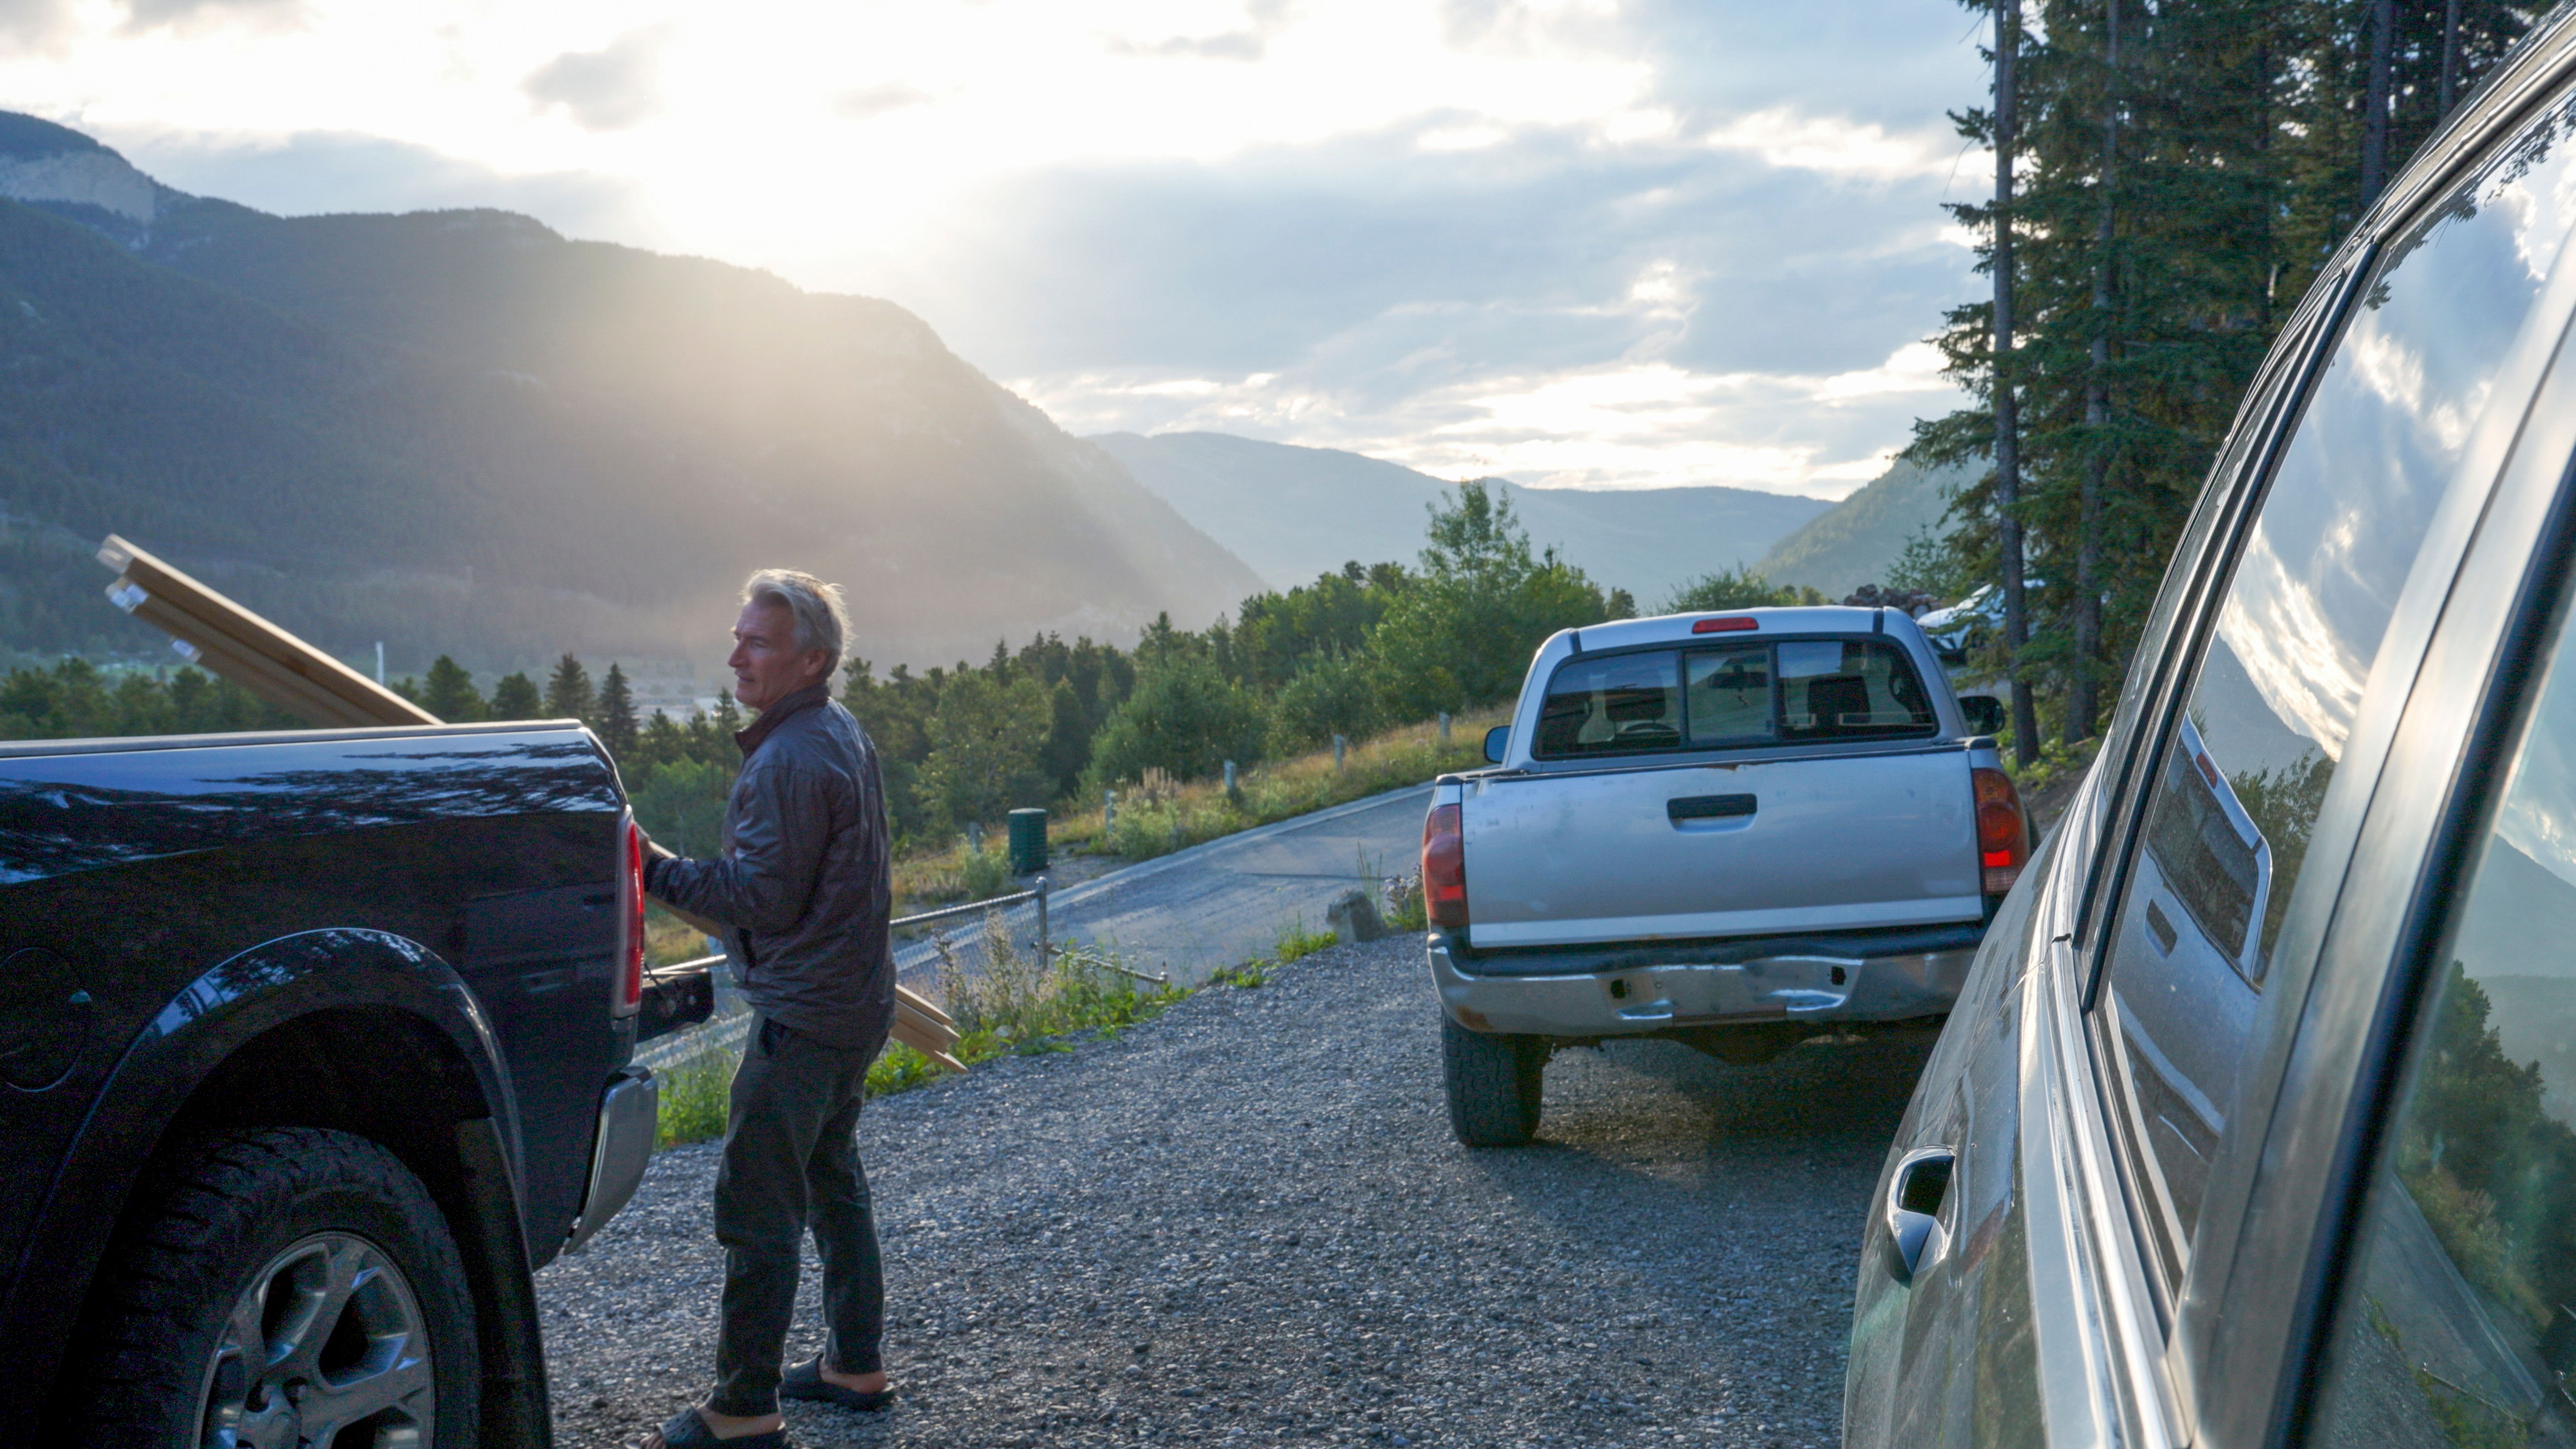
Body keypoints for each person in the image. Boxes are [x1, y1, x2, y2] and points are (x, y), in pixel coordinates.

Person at [638, 570, 896, 1449]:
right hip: (855, 1003)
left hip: (804, 1018)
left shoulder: (788, 758)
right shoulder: (837, 729)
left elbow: (760, 897)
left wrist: (646, 866)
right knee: (831, 1179)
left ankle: (743, 1406)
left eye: (757, 641)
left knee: (758, 1205)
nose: (735, 654)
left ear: (811, 658)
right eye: (738, 634)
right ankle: (853, 1364)